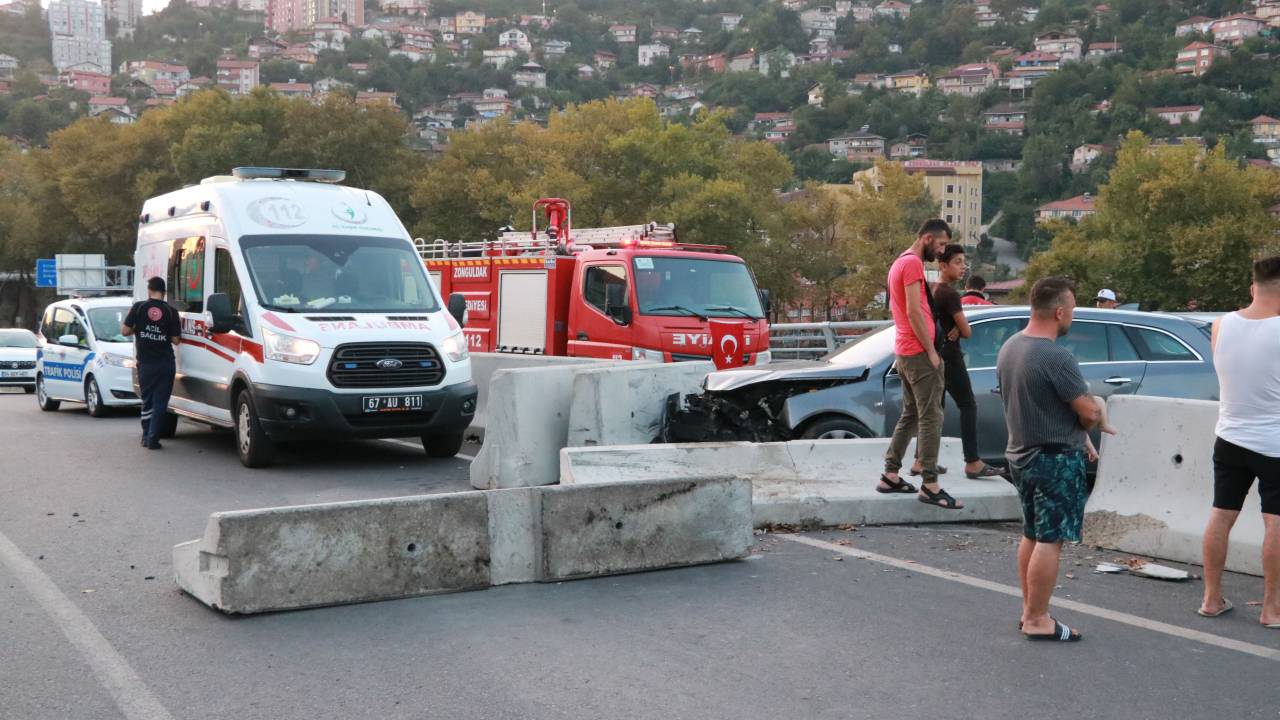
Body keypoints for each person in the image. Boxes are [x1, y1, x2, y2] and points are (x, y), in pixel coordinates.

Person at [996, 276, 1100, 642]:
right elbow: (1087, 411)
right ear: (1058, 312)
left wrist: (1078, 434)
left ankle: (1029, 610)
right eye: (1071, 309)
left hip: (1020, 455)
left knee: (1031, 534)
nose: (1072, 316)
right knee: (1050, 540)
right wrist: (1094, 414)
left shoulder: (1011, 347)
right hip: (1054, 460)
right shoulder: (1056, 357)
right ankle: (1038, 618)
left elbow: (1039, 405)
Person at [1198, 255, 1280, 628]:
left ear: (1252, 287)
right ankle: (1271, 609)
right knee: (1275, 522)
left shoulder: (1221, 324)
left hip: (1229, 437)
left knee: (1221, 514)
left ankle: (1211, 599)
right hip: (1274, 444)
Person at [877, 219, 962, 510]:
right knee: (931, 417)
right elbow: (913, 310)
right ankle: (930, 484)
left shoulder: (900, 261)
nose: (942, 251)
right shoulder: (912, 263)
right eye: (940, 244)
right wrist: (931, 351)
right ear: (927, 238)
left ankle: (890, 474)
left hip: (905, 350)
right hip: (918, 352)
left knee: (911, 414)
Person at [911, 245, 1006, 479]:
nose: (963, 267)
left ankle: (921, 460)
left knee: (935, 409)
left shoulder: (931, 289)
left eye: (964, 262)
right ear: (943, 266)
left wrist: (953, 327)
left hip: (933, 354)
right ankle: (972, 462)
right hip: (950, 357)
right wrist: (957, 328)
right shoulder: (950, 294)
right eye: (958, 262)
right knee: (968, 405)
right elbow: (967, 332)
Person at [122, 277, 181, 450]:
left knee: (147, 401)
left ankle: (146, 437)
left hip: (146, 364)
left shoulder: (139, 307)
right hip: (165, 364)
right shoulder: (171, 311)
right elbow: (176, 340)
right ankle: (153, 438)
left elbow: (124, 331)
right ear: (164, 292)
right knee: (160, 402)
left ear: (149, 290)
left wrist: (138, 329)